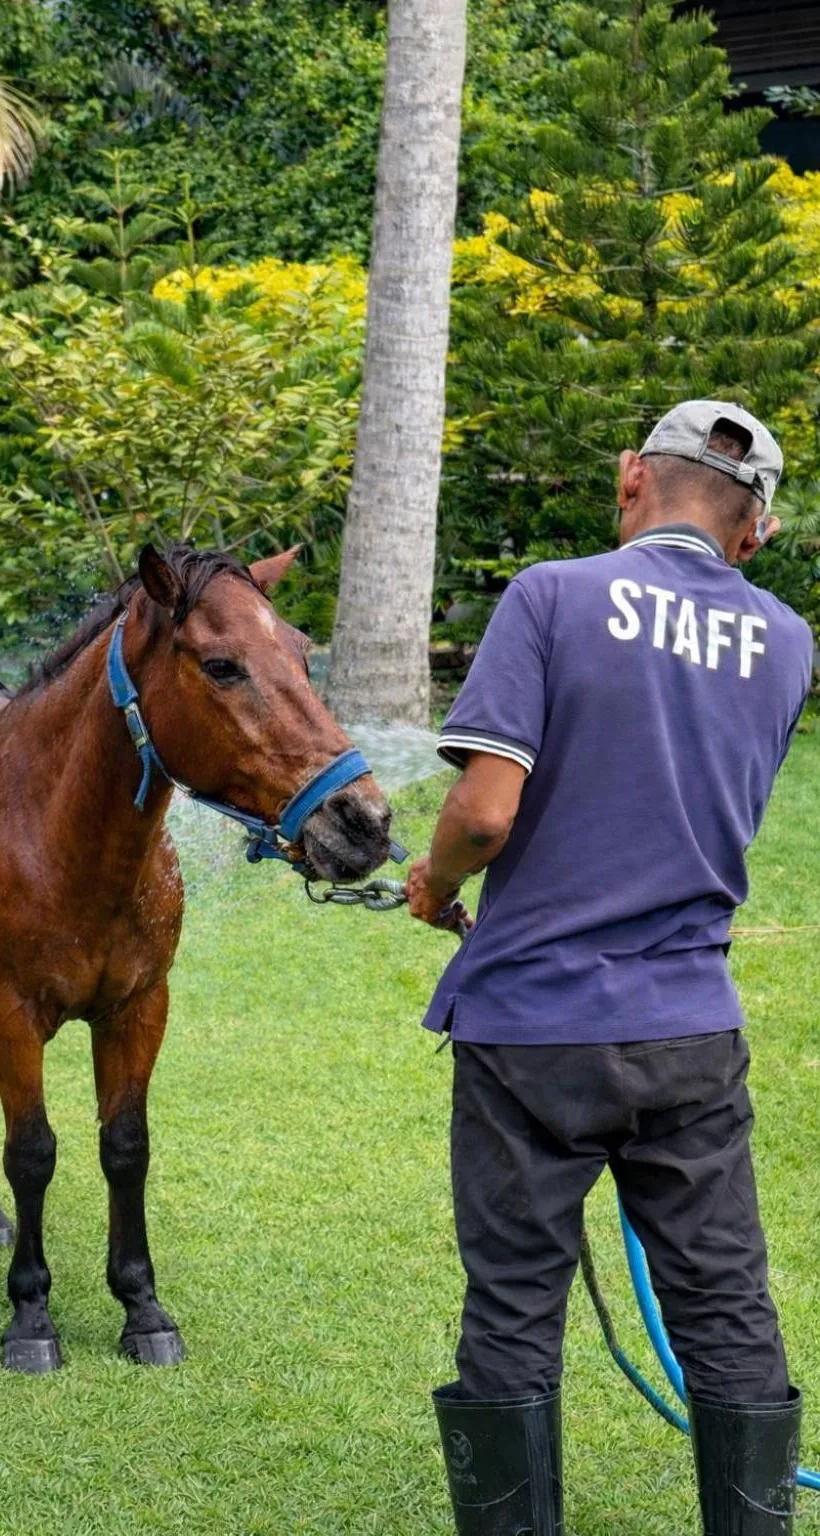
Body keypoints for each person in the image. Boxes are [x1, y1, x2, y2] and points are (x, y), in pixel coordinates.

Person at [406, 400, 814, 1536]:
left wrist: (436, 881)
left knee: (513, 1305)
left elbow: (483, 814)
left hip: (531, 1029)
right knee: (724, 1302)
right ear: (756, 532)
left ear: (632, 477)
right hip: (688, 1032)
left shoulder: (552, 595)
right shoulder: (788, 641)